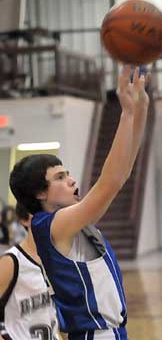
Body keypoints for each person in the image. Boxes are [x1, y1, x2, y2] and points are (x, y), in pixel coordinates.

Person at [9, 65, 150, 340]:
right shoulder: (50, 225)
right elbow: (110, 183)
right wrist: (127, 114)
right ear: (40, 194)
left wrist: (141, 106)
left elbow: (124, 171)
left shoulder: (70, 222)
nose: (71, 180)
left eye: (68, 173)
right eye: (60, 177)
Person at [0, 203, 62, 340]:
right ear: (25, 219)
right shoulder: (11, 262)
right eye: (43, 213)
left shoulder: (59, 261)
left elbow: (61, 317)